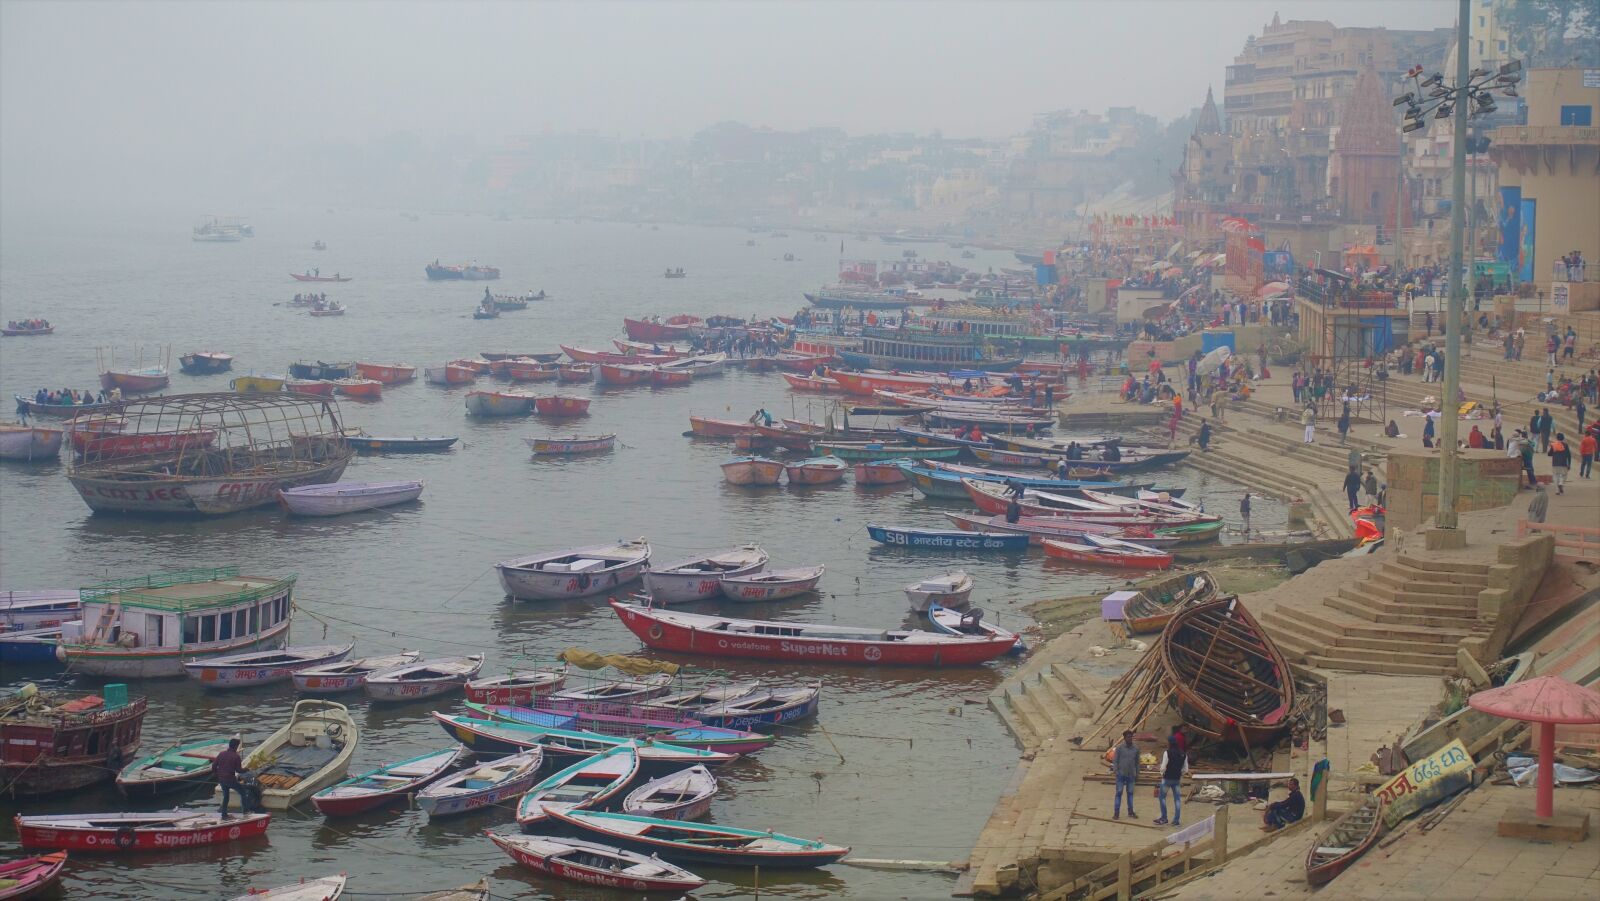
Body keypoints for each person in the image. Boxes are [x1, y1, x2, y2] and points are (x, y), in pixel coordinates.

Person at [1153, 726, 1188, 827]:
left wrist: (1162, 774)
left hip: (1167, 779)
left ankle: (1164, 818)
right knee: (1177, 799)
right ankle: (1176, 820)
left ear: (1169, 743)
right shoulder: (1183, 754)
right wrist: (1180, 773)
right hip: (1177, 779)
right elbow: (1186, 769)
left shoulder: (1167, 753)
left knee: (1162, 797)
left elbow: (1163, 767)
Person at [1112, 730, 1139, 820]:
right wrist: (1116, 770)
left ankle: (1130, 812)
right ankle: (1116, 813)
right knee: (1119, 793)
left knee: (1130, 793)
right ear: (1124, 738)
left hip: (1131, 775)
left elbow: (1137, 762)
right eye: (1128, 737)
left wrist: (1137, 773)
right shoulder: (1119, 748)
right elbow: (1115, 760)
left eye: (1131, 737)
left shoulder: (1136, 749)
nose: (1130, 738)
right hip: (1120, 774)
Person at [215, 737, 244, 817]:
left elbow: (214, 767)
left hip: (222, 779)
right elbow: (238, 770)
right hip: (230, 780)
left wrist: (218, 775)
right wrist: (246, 770)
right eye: (237, 746)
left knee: (226, 796)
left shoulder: (221, 754)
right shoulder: (236, 756)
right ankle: (246, 811)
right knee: (243, 793)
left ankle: (224, 814)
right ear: (235, 746)